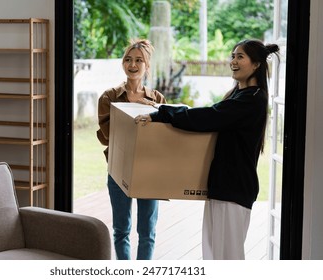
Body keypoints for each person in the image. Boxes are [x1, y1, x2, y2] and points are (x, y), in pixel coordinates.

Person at [134, 39, 280, 260]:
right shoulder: (240, 96)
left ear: (257, 65)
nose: (233, 61)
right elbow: (212, 115)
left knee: (227, 259)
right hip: (223, 188)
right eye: (233, 56)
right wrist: (165, 111)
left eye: (240, 57)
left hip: (234, 190)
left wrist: (162, 113)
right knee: (213, 256)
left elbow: (208, 117)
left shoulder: (251, 99)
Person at [96, 39, 167, 260]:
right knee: (121, 230)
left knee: (147, 232)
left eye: (138, 60)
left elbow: (163, 138)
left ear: (147, 66)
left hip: (149, 169)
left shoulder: (157, 99)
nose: (132, 64)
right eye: (128, 59)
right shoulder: (109, 97)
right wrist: (134, 111)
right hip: (119, 169)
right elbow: (108, 135)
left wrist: (155, 111)